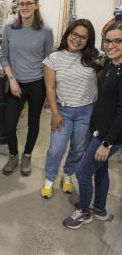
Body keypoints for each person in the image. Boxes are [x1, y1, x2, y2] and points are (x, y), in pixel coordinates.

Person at [63, 21, 122, 229]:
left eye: (118, 41)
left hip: (108, 136)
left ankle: (84, 212)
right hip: (99, 129)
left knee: (82, 172)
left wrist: (107, 143)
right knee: (100, 169)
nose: (111, 45)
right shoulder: (109, 63)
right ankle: (99, 208)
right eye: (108, 41)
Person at [41, 19, 100, 198]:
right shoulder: (53, 58)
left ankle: (67, 175)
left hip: (87, 111)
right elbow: (50, 88)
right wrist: (55, 113)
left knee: (79, 149)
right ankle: (49, 179)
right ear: (68, 34)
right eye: (75, 34)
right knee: (56, 148)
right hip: (63, 111)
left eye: (83, 37)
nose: (78, 39)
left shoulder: (94, 57)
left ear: (88, 40)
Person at [0, 0, 54, 176]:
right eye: (21, 4)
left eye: (28, 3)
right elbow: (4, 58)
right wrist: (12, 80)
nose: (24, 7)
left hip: (37, 84)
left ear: (36, 5)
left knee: (33, 123)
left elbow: (49, 62)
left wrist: (49, 93)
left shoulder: (46, 30)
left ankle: (27, 155)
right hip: (16, 83)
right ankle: (13, 154)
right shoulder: (9, 27)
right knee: (8, 125)